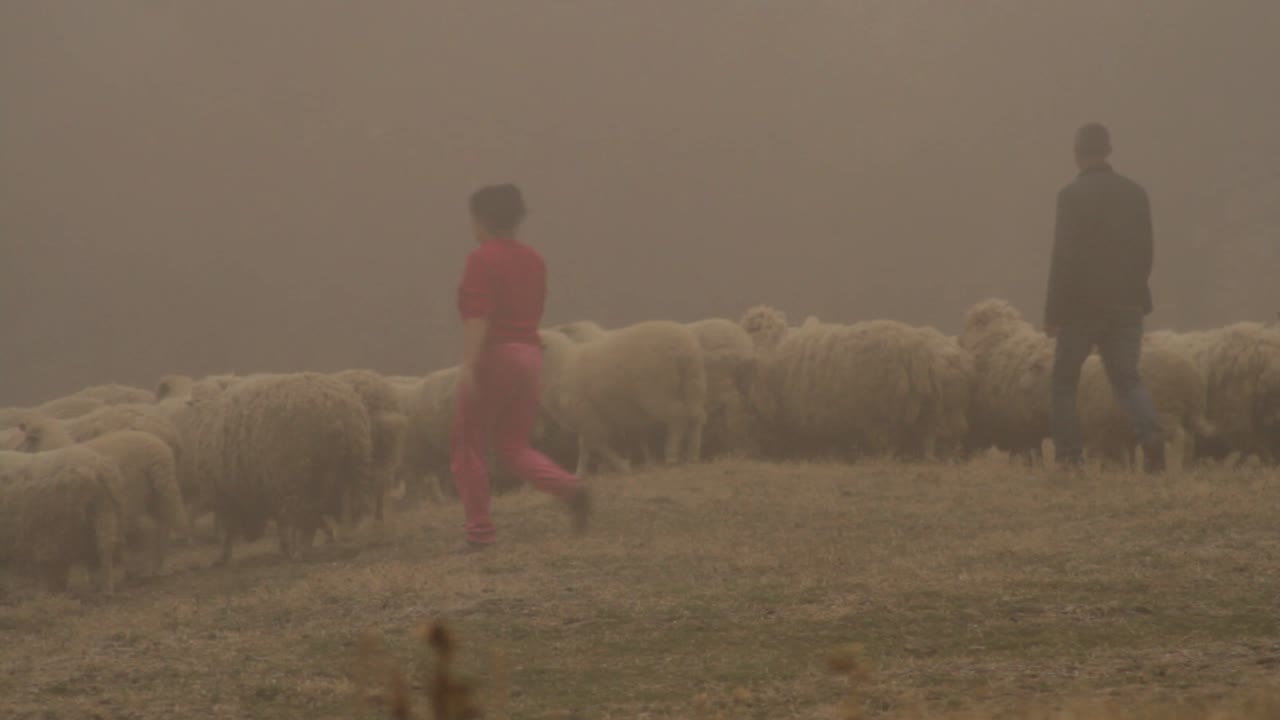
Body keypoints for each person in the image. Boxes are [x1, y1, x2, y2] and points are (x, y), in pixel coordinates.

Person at [450, 183, 590, 552]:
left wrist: (469, 364)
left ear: (481, 219)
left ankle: (479, 532)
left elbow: (478, 314)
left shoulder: (482, 259)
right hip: (530, 356)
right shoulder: (534, 260)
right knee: (512, 445)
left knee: (468, 445)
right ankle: (571, 488)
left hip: (495, 356)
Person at [1043, 122, 1165, 473]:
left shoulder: (1070, 196)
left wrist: (1053, 312)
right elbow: (1147, 250)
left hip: (1081, 306)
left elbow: (1063, 256)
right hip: (1128, 302)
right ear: (1108, 151)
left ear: (1076, 152)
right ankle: (1152, 437)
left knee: (1064, 380)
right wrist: (1134, 290)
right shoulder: (1136, 193)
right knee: (1127, 378)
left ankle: (1068, 457)